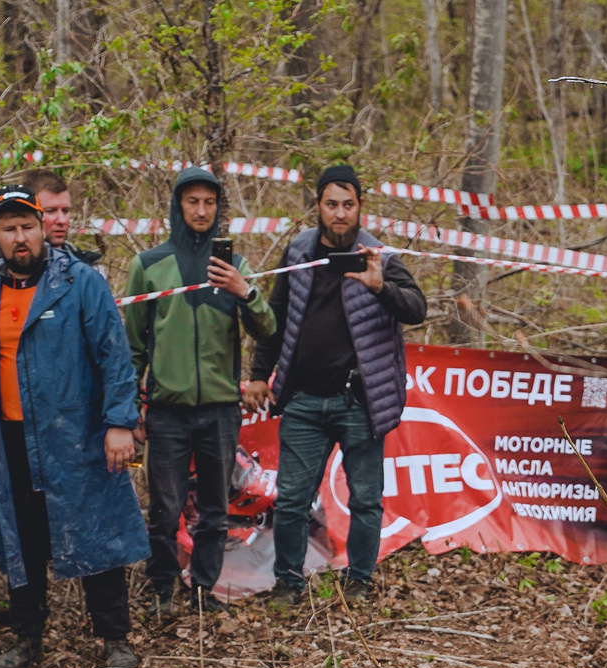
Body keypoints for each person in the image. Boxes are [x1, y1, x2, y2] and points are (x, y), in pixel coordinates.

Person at [0, 186, 149, 668]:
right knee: (23, 539)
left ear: (43, 230)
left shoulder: (79, 282)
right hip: (9, 437)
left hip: (77, 436)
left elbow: (114, 356)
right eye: (9, 228)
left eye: (28, 227)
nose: (21, 238)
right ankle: (27, 635)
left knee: (96, 531)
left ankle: (115, 638)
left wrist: (120, 422)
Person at [246, 165, 428, 606]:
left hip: (358, 401)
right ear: (318, 207)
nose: (340, 214)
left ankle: (359, 582)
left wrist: (382, 286)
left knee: (365, 499)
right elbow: (275, 320)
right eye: (332, 205)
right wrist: (258, 373)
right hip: (305, 399)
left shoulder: (379, 257)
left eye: (348, 205)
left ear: (360, 207)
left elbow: (416, 309)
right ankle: (288, 584)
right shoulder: (298, 254)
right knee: (291, 499)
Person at [125, 165, 277, 620]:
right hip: (167, 411)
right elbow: (132, 345)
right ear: (178, 205)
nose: (201, 210)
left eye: (209, 202)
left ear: (218, 209)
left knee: (215, 508)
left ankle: (203, 591)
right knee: (165, 509)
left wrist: (243, 291)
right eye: (192, 201)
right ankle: (162, 592)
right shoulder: (149, 266)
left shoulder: (235, 266)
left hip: (220, 409)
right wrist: (128, 408)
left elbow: (267, 327)